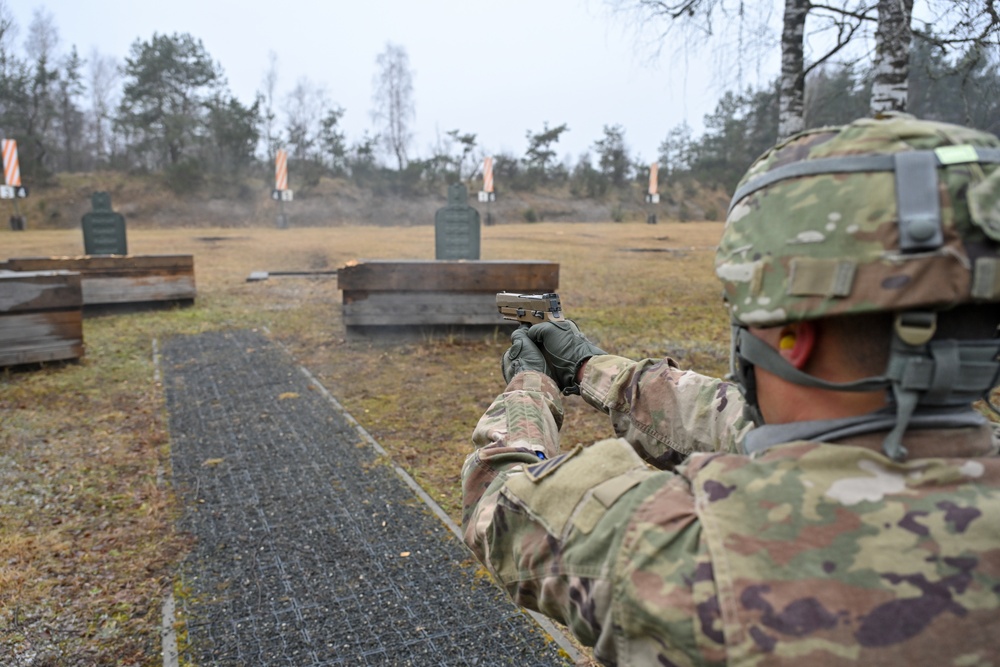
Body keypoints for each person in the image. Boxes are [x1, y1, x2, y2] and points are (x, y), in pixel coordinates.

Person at [461, 114, 1000, 666]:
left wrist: (531, 386)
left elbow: (501, 495)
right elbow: (733, 420)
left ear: (791, 337)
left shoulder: (695, 557)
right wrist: (589, 368)